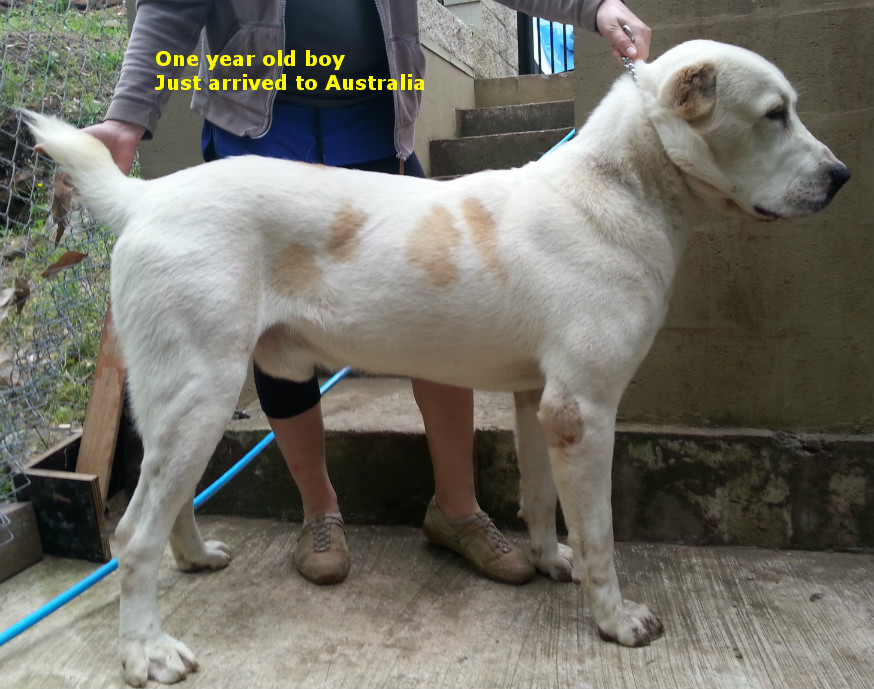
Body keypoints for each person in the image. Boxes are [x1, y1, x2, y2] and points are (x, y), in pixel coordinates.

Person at [85, 0, 651, 587]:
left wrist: (593, 7)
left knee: (445, 308)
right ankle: (319, 511)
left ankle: (458, 510)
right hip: (258, 119)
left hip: (374, 115)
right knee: (273, 333)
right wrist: (128, 116)